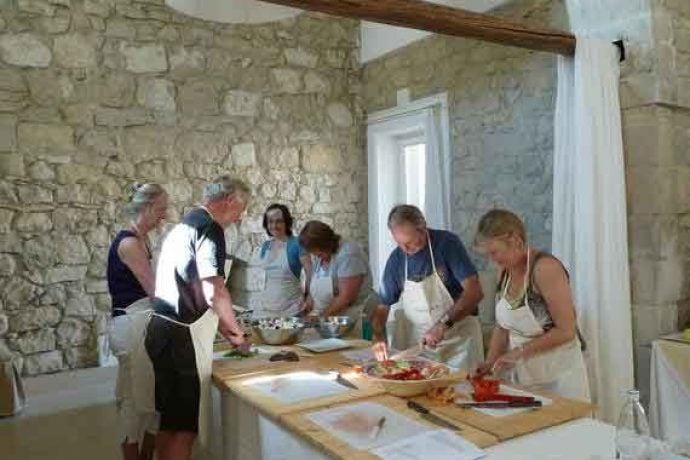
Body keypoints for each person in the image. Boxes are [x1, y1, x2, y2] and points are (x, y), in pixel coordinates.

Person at [141, 176, 251, 460]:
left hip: (161, 329)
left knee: (170, 420)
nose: (242, 215)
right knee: (185, 430)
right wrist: (237, 334)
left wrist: (224, 328)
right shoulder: (209, 227)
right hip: (181, 338)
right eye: (242, 207)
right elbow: (213, 288)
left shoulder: (184, 224)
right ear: (229, 201)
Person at [471, 209, 590, 401]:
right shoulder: (505, 272)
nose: (491, 260)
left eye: (494, 252)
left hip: (559, 376)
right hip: (525, 375)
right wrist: (490, 363)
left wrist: (518, 352)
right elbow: (502, 327)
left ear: (516, 241)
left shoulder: (545, 269)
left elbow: (566, 330)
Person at [371, 205, 484, 371]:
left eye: (410, 242)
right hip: (419, 345)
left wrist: (442, 325)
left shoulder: (447, 244)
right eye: (400, 243)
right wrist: (378, 334)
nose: (406, 249)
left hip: (459, 341)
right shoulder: (397, 258)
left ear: (423, 227)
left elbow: (474, 292)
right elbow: (382, 306)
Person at [106, 182, 168, 460]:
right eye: (161, 210)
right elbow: (154, 291)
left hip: (144, 321)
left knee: (153, 399)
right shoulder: (129, 243)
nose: (164, 216)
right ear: (146, 208)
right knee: (133, 402)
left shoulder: (143, 240)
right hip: (130, 324)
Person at [299, 221, 377, 333]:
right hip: (334, 320)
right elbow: (315, 286)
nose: (317, 257)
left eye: (319, 254)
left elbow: (346, 298)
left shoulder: (348, 254)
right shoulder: (320, 256)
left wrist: (320, 318)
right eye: (315, 254)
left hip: (358, 318)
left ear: (326, 244)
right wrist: (308, 304)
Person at [252, 204, 312, 318]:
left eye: (279, 221)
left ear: (287, 223)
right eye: (270, 221)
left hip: (291, 309)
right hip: (265, 308)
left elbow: (310, 272)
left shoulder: (297, 244)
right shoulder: (265, 246)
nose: (274, 225)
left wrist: (308, 296)